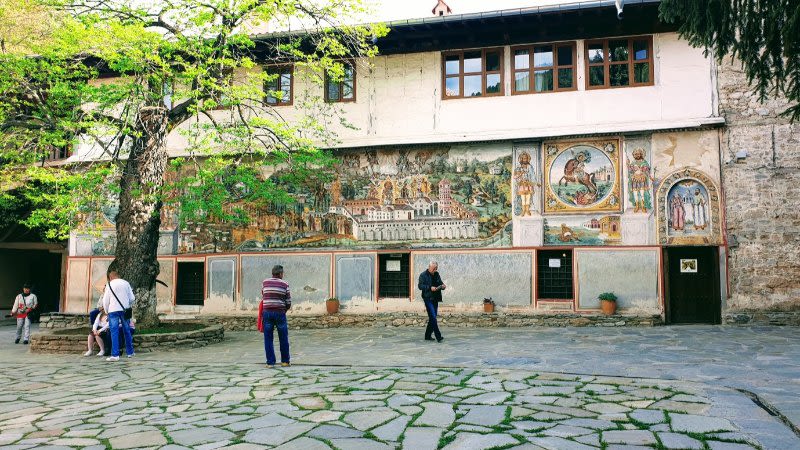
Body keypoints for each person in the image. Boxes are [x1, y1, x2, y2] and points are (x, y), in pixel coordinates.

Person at [257, 265, 292, 368]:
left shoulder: (265, 282)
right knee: (283, 337)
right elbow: (288, 301)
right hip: (280, 313)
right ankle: (285, 361)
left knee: (268, 338)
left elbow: (263, 294)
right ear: (281, 274)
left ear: (272, 273)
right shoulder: (285, 284)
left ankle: (270, 363)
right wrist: (284, 309)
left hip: (267, 312)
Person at [100, 269, 135, 361]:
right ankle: (130, 352)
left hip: (113, 310)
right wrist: (126, 304)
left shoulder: (109, 284)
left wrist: (107, 311)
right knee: (127, 330)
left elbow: (105, 300)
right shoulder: (126, 283)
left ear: (110, 277)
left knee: (114, 332)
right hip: (125, 310)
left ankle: (115, 355)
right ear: (118, 276)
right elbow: (132, 298)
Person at [418, 261, 445, 342]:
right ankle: (438, 336)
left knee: (432, 317)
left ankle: (427, 336)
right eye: (433, 268)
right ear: (429, 267)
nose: (435, 270)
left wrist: (443, 286)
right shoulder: (423, 275)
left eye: (436, 268)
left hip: (435, 298)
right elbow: (420, 286)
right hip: (427, 298)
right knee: (433, 317)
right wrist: (430, 287)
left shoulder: (437, 274)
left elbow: (440, 282)